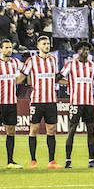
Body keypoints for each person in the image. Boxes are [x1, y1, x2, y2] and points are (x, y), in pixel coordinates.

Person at [0, 38, 26, 168]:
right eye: (6, 47)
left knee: (11, 130)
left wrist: (19, 80)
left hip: (12, 102)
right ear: (0, 49)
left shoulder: (15, 62)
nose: (9, 50)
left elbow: (27, 70)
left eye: (10, 47)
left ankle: (10, 161)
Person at [61, 41, 94, 169]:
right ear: (77, 51)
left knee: (91, 131)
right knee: (72, 130)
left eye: (87, 50)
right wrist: (69, 84)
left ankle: (91, 160)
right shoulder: (71, 64)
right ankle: (68, 160)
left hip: (89, 102)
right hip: (75, 103)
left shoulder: (93, 65)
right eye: (83, 50)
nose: (86, 52)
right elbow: (58, 77)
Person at [24, 35, 60, 168]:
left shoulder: (53, 60)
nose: (47, 46)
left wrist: (70, 83)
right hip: (37, 100)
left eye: (48, 43)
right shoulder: (31, 61)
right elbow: (23, 75)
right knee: (34, 129)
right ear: (38, 46)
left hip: (51, 101)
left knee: (51, 130)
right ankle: (33, 160)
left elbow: (55, 78)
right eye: (44, 44)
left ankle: (52, 161)